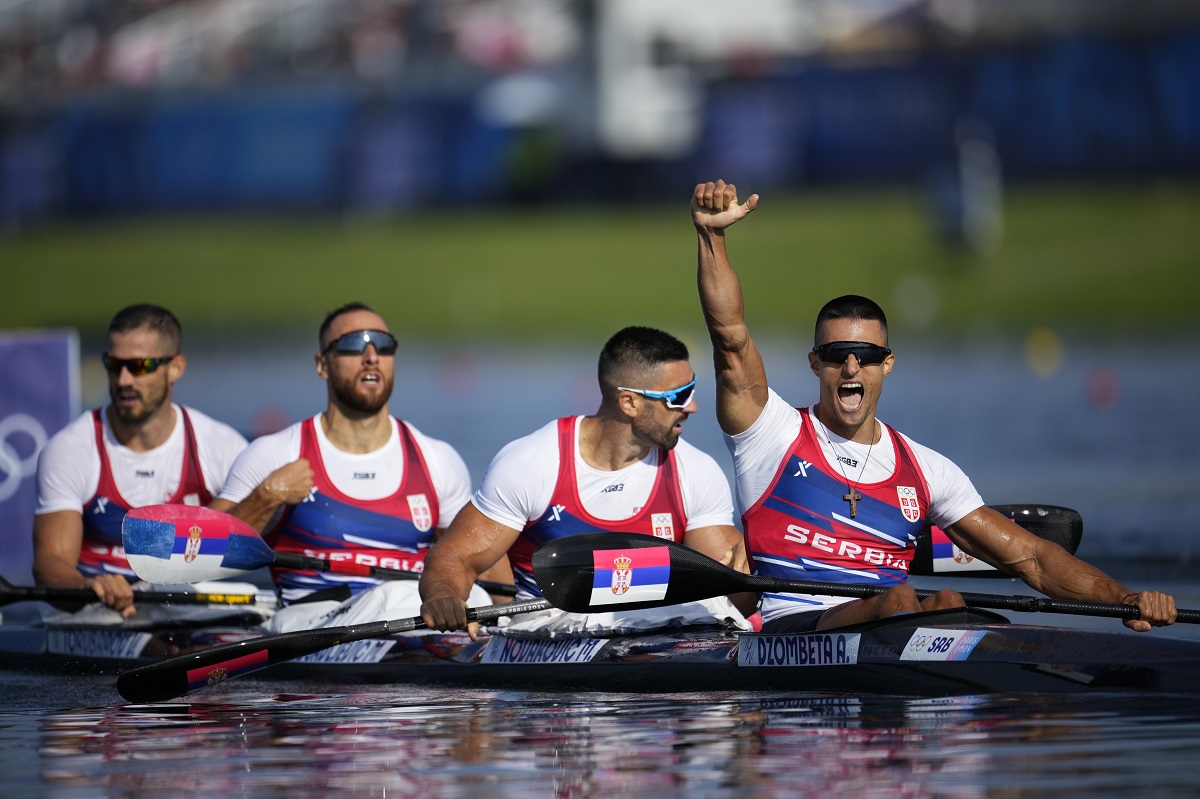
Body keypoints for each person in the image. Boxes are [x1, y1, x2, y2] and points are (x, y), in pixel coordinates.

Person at [689, 179, 1178, 633]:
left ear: (889, 365)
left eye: (870, 357)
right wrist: (712, 237)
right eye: (838, 355)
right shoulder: (769, 432)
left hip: (891, 624)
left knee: (946, 600)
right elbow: (730, 338)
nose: (853, 368)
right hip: (794, 630)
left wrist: (1125, 599)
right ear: (816, 364)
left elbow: (1030, 558)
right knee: (904, 600)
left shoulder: (926, 470)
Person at [420, 325, 756, 639]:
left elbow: (728, 592)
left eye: (693, 391)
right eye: (678, 396)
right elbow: (456, 558)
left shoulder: (694, 469)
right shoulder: (532, 464)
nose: (693, 407)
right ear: (629, 403)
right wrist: (444, 595)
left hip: (656, 633)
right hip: (549, 629)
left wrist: (756, 558)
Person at [210, 302, 495, 632]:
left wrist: (519, 623)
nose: (371, 356)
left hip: (408, 621)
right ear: (322, 364)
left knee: (482, 601)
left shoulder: (436, 459)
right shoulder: (276, 453)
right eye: (352, 345)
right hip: (309, 626)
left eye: (383, 345)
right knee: (393, 598)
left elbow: (473, 556)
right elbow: (203, 555)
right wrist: (265, 498)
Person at [32, 304, 249, 619]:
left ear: (175, 368)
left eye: (139, 366)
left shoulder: (221, 446)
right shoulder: (70, 450)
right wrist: (91, 588)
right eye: (114, 364)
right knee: (163, 651)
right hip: (92, 612)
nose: (122, 380)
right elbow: (49, 564)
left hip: (182, 606)